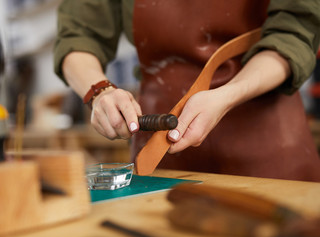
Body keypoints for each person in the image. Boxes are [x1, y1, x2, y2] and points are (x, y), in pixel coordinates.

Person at [54, 0, 320, 182]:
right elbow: (79, 34)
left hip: (266, 144)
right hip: (160, 154)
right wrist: (100, 90)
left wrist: (227, 96)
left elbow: (294, 34)